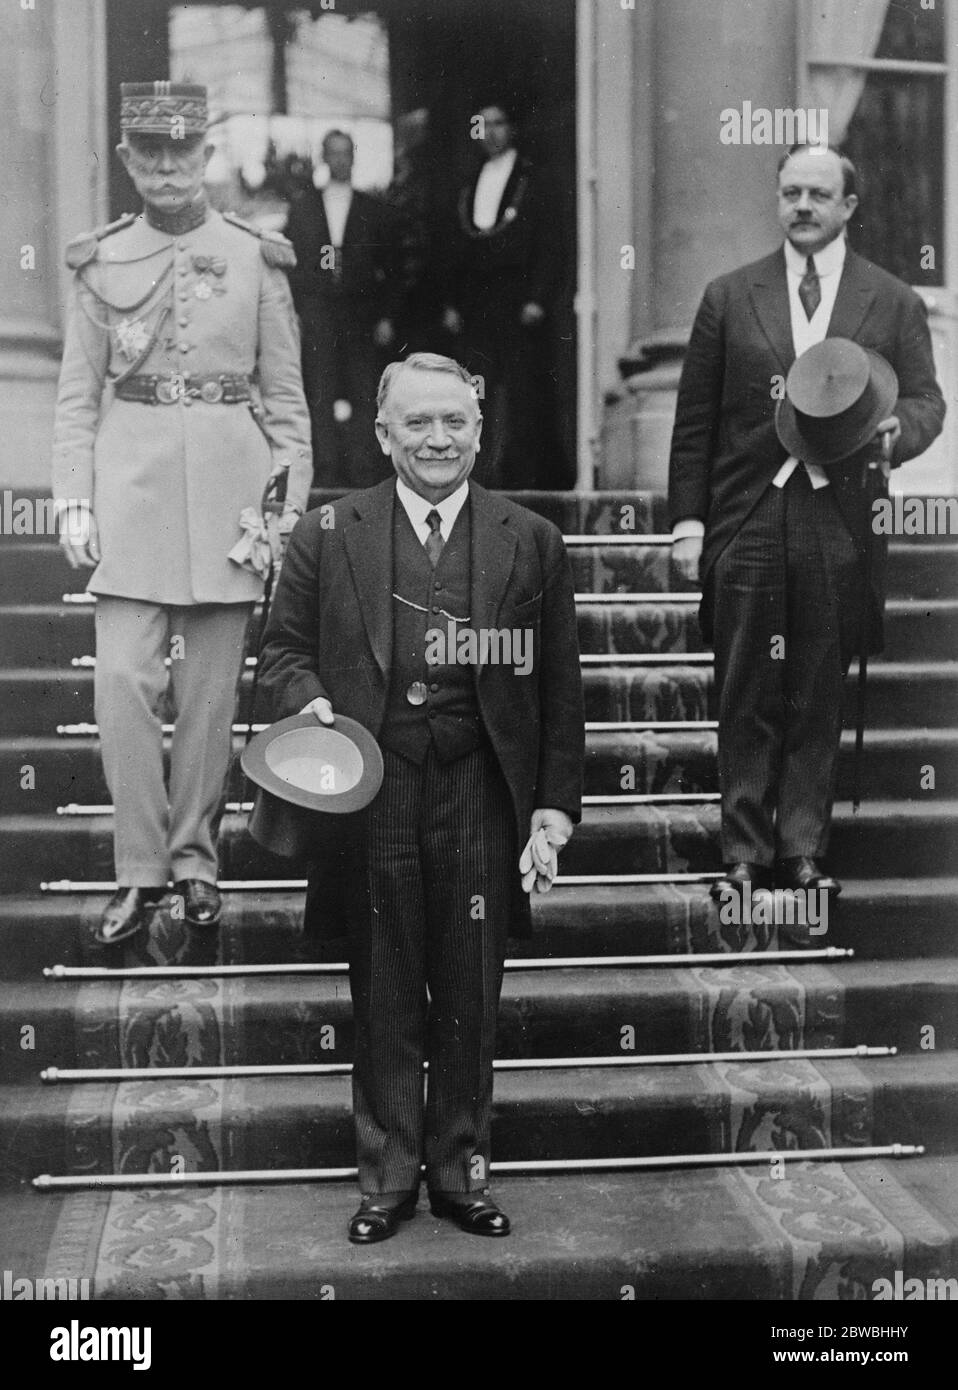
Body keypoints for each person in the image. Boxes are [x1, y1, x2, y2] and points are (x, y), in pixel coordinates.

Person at [255, 351, 584, 1242]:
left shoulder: (531, 539)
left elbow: (559, 686)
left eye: (454, 423)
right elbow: (282, 654)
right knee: (387, 985)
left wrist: (553, 806)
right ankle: (389, 1178)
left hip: (481, 790)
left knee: (473, 993)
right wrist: (306, 702)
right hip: (375, 789)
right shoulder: (330, 534)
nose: (437, 440)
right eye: (418, 424)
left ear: (480, 430)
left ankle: (462, 1173)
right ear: (383, 434)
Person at [51, 81, 312, 946]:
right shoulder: (98, 261)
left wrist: (282, 510)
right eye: (149, 153)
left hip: (232, 503)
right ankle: (139, 869)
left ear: (206, 154)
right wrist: (74, 495)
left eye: (182, 151)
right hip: (131, 498)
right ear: (128, 160)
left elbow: (287, 408)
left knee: (207, 696)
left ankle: (197, 861)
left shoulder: (254, 258)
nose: (167, 167)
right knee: (123, 684)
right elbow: (77, 398)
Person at [668, 144, 945, 906]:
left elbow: (926, 400)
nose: (802, 206)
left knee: (817, 685)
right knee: (746, 685)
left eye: (819, 194)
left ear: (849, 205)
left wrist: (897, 433)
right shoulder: (729, 295)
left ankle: (801, 851)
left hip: (838, 514)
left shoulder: (889, 299)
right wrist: (689, 523)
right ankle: (743, 852)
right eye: (790, 191)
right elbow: (695, 422)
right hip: (749, 511)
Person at [442, 101, 566, 489]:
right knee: (476, 388)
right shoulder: (467, 181)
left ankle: (522, 478)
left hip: (518, 300)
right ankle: (479, 477)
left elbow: (551, 243)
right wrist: (452, 302)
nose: (490, 132)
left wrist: (538, 298)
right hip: (477, 303)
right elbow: (456, 247)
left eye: (498, 123)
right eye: (482, 125)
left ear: (511, 129)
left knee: (521, 391)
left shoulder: (532, 179)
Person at [285, 129, 407, 486]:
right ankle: (324, 472)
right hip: (318, 312)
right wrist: (297, 312)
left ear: (353, 157)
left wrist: (387, 316)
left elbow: (394, 268)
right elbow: (292, 266)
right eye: (333, 153)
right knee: (319, 391)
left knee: (362, 390)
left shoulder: (374, 209)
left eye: (345, 153)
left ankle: (362, 472)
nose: (340, 160)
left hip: (361, 314)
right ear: (324, 157)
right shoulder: (303, 207)